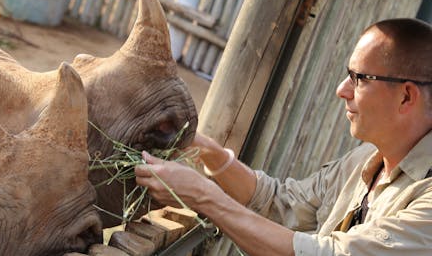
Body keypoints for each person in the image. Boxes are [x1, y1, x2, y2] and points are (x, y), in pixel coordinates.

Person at [135, 18, 432, 255]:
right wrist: (205, 149)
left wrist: (203, 196)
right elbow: (284, 204)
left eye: (360, 79)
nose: (341, 90)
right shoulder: (367, 159)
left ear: (406, 96)